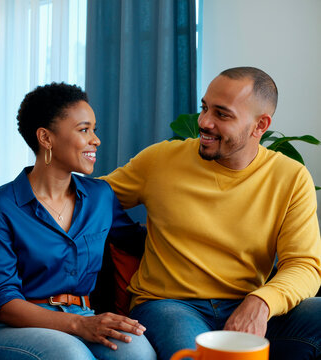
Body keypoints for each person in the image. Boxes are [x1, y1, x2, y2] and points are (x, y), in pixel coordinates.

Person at [101, 67, 321, 359]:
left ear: (260, 125)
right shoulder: (160, 160)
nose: (204, 122)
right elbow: (86, 199)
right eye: (204, 108)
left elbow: (304, 265)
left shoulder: (290, 177)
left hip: (247, 304)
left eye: (222, 114)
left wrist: (261, 302)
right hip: (169, 305)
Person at [0, 83, 156, 359]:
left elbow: (138, 241)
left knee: (137, 352)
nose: (96, 140)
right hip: (12, 326)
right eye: (84, 130)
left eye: (94, 129)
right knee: (72, 356)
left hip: (82, 314)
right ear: (46, 138)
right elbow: (4, 303)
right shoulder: (1, 208)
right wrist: (79, 325)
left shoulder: (100, 197)